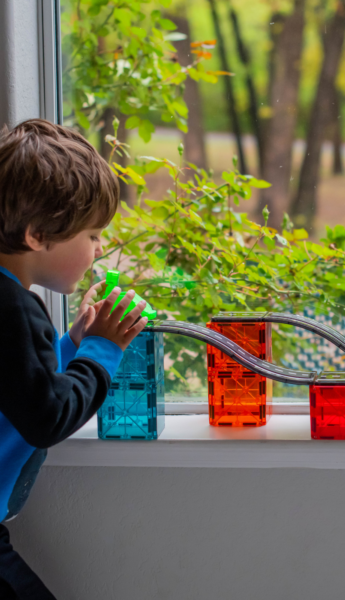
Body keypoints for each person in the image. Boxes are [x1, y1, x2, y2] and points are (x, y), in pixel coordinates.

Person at [0, 119, 148, 599]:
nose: (100, 249)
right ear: (39, 235)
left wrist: (72, 344)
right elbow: (46, 416)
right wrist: (103, 349)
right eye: (92, 235)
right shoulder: (14, 308)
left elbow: (17, 384)